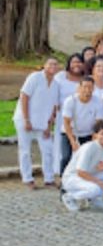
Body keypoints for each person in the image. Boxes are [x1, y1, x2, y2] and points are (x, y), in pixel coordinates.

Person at [14, 57, 60, 189]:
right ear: (44, 65)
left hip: (43, 122)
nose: (53, 66)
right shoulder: (34, 77)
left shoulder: (56, 84)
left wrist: (49, 125)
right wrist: (26, 119)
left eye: (56, 64)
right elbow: (24, 96)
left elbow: (54, 107)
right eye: (50, 63)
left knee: (48, 150)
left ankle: (49, 179)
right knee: (25, 150)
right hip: (25, 119)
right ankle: (28, 179)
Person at [60, 120, 103, 211]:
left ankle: (96, 199)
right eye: (102, 134)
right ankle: (69, 197)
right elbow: (80, 172)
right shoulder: (89, 147)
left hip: (88, 176)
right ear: (95, 135)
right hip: (72, 178)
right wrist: (101, 184)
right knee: (96, 189)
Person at [61, 77, 103, 173]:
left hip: (88, 133)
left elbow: (98, 123)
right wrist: (73, 141)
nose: (87, 90)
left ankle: (85, 176)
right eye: (85, 87)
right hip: (69, 132)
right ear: (79, 88)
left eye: (90, 87)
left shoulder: (98, 101)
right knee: (66, 157)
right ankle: (63, 179)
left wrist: (94, 138)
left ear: (93, 89)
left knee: (88, 156)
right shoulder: (70, 101)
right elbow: (66, 122)